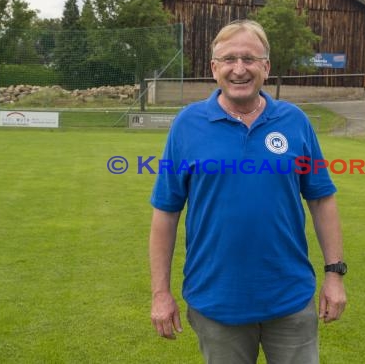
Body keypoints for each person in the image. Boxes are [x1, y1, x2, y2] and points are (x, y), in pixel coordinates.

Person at [149, 20, 347, 364]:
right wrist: (160, 293)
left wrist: (334, 274)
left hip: (290, 299)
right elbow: (165, 212)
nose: (239, 69)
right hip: (216, 301)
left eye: (249, 59)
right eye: (228, 59)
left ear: (266, 67)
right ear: (214, 68)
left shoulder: (295, 121)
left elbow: (321, 198)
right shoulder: (186, 125)